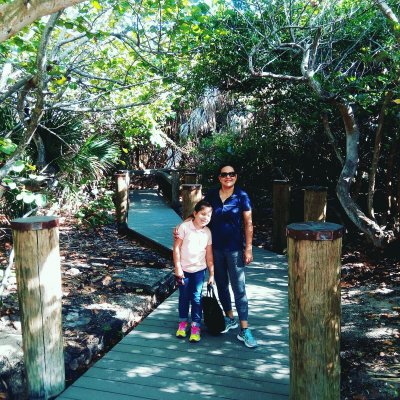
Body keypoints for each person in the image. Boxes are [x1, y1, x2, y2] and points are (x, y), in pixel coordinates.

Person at [202, 164, 257, 348]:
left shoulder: (241, 196)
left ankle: (244, 329)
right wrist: (183, 227)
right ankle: (230, 317)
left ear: (236, 176)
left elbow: (248, 223)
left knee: (239, 289)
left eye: (231, 174)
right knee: (222, 286)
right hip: (215, 249)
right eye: (224, 174)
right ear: (219, 177)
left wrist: (248, 248)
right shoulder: (211, 194)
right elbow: (199, 214)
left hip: (234, 250)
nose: (228, 177)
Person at [173, 200, 215, 343]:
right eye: (202, 214)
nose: (205, 218)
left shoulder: (207, 232)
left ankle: (196, 325)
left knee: (196, 298)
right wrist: (177, 267)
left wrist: (212, 274)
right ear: (195, 213)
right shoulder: (184, 227)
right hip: (184, 270)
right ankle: (183, 323)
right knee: (184, 296)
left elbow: (209, 254)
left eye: (209, 216)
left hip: (199, 270)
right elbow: (177, 248)